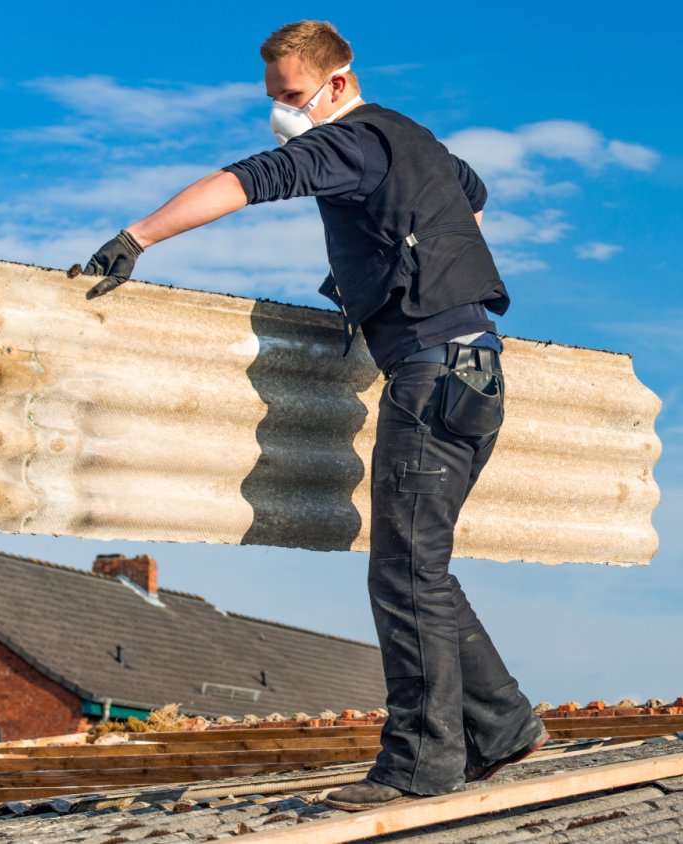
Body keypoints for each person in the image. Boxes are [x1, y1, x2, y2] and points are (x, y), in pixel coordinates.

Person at [77, 20, 546, 810]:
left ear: (338, 82)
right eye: (273, 96)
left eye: (292, 95)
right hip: (475, 370)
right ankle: (502, 726)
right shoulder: (409, 137)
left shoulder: (349, 140)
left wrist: (137, 237)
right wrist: (416, 258)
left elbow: (249, 179)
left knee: (403, 572)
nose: (281, 111)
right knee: (420, 565)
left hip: (432, 374)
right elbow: (471, 195)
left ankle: (420, 764)